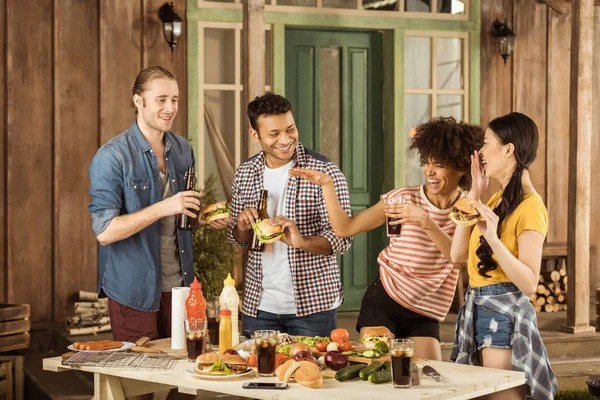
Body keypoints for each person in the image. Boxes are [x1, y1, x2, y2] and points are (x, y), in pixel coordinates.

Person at [291, 117, 484, 360]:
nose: (430, 171)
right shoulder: (401, 198)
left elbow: (459, 259)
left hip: (425, 312)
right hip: (385, 301)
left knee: (427, 382)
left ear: (462, 167)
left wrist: (425, 221)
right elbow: (344, 228)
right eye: (427, 162)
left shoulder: (467, 211)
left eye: (440, 164)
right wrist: (327, 185)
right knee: (380, 367)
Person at [89, 66, 212, 343]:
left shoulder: (182, 149)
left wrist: (202, 217)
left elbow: (181, 215)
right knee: (138, 383)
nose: (170, 108)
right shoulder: (112, 156)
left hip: (181, 288)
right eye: (161, 100)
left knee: (185, 378)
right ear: (138, 101)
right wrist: (166, 206)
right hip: (134, 293)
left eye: (175, 99)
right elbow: (105, 232)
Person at [449, 112, 557, 400]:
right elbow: (457, 255)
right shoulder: (496, 200)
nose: (481, 151)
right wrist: (474, 192)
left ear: (508, 149)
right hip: (477, 308)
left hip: (502, 314)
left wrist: (493, 238)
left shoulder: (531, 207)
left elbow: (530, 283)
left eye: (486, 143)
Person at [226, 92, 353, 338]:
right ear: (256, 135)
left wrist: (301, 241)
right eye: (274, 134)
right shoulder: (245, 173)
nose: (285, 140)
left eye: (290, 129)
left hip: (313, 307)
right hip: (259, 305)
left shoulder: (324, 172)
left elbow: (342, 239)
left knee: (309, 375)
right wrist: (241, 225)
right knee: (259, 375)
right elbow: (236, 239)